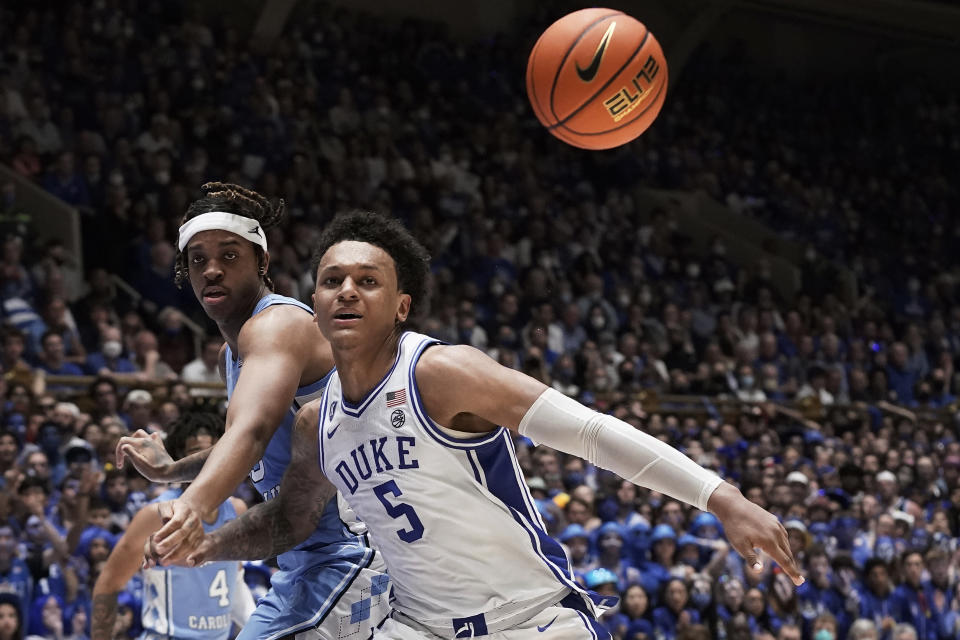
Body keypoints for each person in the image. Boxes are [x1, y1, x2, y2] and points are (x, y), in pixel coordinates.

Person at [158, 210, 803, 640]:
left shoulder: (444, 374)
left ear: (401, 305)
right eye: (332, 281)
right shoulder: (314, 424)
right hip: (418, 627)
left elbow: (590, 432)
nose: (347, 290)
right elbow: (288, 520)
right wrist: (207, 546)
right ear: (315, 305)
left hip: (531, 621)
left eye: (368, 280)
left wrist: (721, 497)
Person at [116, 184, 387, 640]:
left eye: (229, 255)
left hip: (354, 553)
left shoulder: (277, 324)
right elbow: (248, 447)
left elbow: (254, 432)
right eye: (198, 259)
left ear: (262, 261)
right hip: (307, 557)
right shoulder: (234, 351)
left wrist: (190, 506)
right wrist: (172, 471)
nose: (213, 270)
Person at [91, 411, 253, 640]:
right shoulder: (154, 515)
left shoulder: (236, 510)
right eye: (197, 454)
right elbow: (108, 585)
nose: (210, 463)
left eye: (215, 453)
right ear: (180, 460)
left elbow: (234, 583)